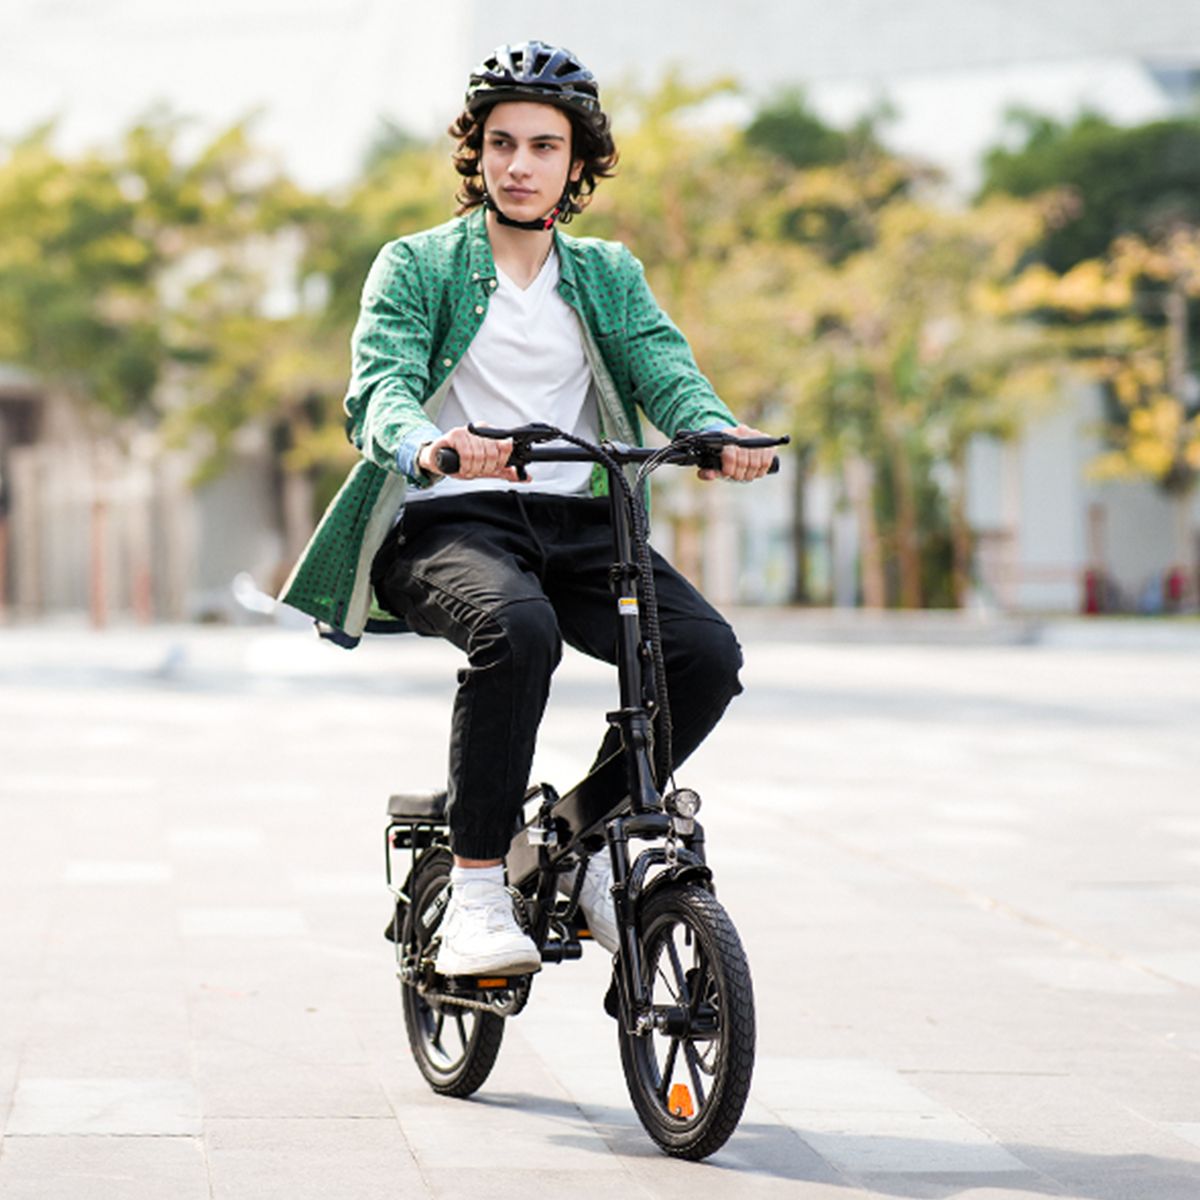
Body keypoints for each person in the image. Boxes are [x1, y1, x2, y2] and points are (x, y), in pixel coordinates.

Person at [279, 40, 775, 976]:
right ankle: (474, 889)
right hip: (450, 521)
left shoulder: (607, 275)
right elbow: (379, 388)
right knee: (519, 629)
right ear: (476, 153)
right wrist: (430, 443)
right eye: (501, 143)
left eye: (544, 147)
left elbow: (664, 368)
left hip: (584, 525)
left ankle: (584, 841)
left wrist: (716, 432)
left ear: (577, 164)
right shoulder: (417, 265)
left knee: (704, 656)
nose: (518, 165)